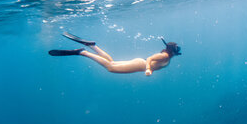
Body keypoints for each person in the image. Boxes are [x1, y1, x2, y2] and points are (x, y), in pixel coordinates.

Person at [49, 32, 181, 76]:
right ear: (172, 51)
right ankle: (82, 52)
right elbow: (151, 58)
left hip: (138, 63)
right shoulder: (165, 56)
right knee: (110, 67)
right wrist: (147, 69)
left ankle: (92, 46)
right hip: (140, 65)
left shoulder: (166, 56)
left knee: (111, 61)